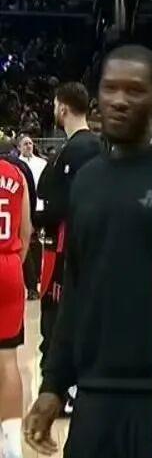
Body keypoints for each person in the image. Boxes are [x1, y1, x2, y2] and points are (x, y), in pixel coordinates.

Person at [24, 45, 152, 458]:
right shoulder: (88, 180)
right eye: (110, 89)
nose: (120, 100)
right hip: (94, 394)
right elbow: (76, 285)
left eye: (134, 90)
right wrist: (54, 383)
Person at [34, 82, 100, 365]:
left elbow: (63, 204)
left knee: (57, 326)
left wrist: (36, 218)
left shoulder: (80, 149)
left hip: (67, 250)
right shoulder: (89, 146)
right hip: (79, 248)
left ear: (62, 107)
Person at [0, 152, 32, 458]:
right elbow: (27, 230)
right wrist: (13, 263)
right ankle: (10, 446)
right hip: (9, 265)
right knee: (8, 359)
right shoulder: (16, 173)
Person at [15, 136, 43, 300]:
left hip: (39, 206)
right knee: (26, 242)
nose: (28, 146)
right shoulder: (17, 165)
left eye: (30, 143)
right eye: (25, 144)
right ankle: (31, 285)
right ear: (19, 147)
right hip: (24, 207)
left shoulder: (41, 163)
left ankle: (36, 278)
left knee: (35, 243)